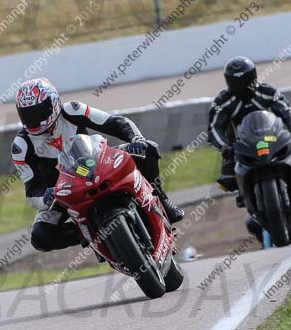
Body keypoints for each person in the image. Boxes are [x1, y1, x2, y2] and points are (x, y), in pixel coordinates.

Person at [12, 78, 184, 252]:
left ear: (54, 102)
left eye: (38, 111)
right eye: (28, 114)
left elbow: (115, 123)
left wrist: (136, 139)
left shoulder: (73, 110)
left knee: (149, 149)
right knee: (40, 237)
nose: (34, 119)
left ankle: (162, 201)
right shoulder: (21, 146)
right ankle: (90, 235)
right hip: (62, 191)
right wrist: (45, 197)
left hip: (96, 163)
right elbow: (32, 191)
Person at [207, 56, 291, 230]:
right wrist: (225, 146)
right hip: (240, 146)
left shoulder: (267, 91)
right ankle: (243, 194)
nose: (240, 84)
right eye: (235, 80)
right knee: (225, 178)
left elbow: (287, 111)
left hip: (273, 139)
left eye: (244, 79)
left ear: (253, 77)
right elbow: (214, 128)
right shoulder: (222, 101)